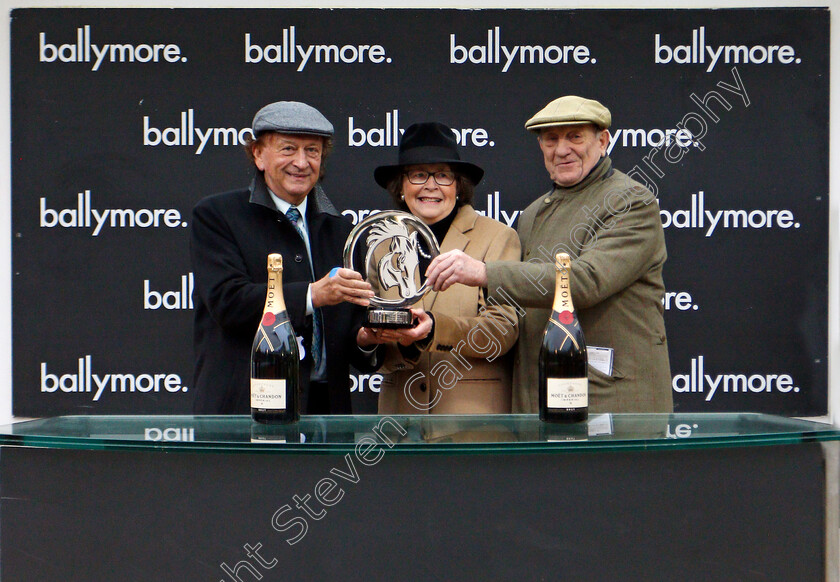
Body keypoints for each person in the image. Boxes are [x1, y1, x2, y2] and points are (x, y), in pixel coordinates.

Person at [426, 96, 673, 413]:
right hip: (539, 403)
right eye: (551, 139)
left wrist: (484, 272)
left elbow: (585, 282)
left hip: (610, 405)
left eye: (575, 136)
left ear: (603, 141)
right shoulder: (532, 215)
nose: (561, 149)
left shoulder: (631, 201)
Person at [190, 100, 376, 415]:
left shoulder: (342, 229)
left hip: (326, 415)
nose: (302, 163)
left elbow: (353, 338)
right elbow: (228, 301)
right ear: (258, 154)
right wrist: (313, 294)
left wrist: (368, 337)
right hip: (244, 414)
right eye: (288, 149)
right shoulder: (217, 215)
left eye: (313, 151)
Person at [357, 122, 520, 414]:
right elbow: (376, 346)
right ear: (401, 186)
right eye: (418, 174)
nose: (430, 185)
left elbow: (502, 332)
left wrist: (434, 329)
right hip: (400, 427)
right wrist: (372, 340)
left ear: (458, 186)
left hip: (470, 424)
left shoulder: (497, 237)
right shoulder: (382, 246)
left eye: (443, 175)